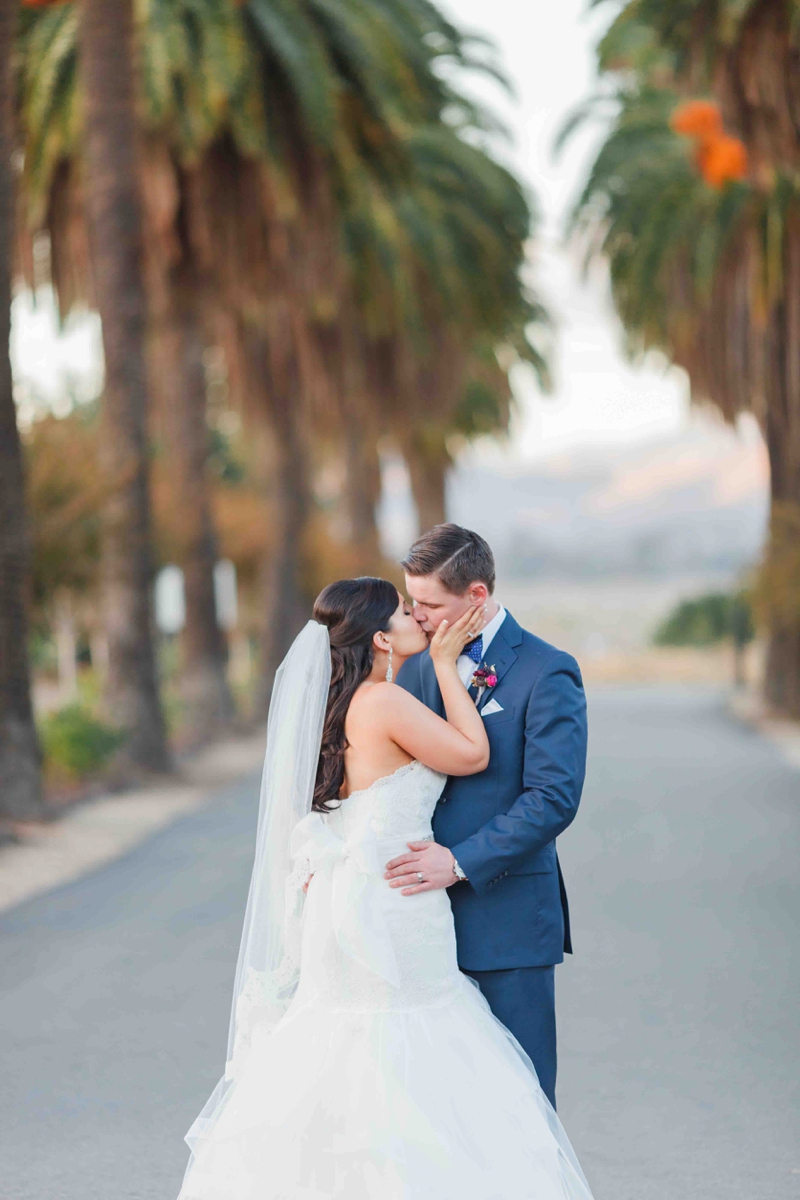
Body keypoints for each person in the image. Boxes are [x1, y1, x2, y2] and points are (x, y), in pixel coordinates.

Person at [177, 576, 593, 1200]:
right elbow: (473, 755)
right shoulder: (387, 700)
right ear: (379, 637)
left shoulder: (341, 702)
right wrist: (450, 667)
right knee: (409, 1046)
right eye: (405, 610)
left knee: (345, 1049)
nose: (419, 619)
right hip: (395, 904)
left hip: (349, 901)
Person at [393, 524, 588, 1110]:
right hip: (417, 923)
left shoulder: (546, 670)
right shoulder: (416, 665)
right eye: (410, 601)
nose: (417, 616)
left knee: (519, 1102)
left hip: (507, 922)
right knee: (437, 1107)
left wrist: (458, 861)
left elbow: (553, 797)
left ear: (476, 596)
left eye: (429, 604)